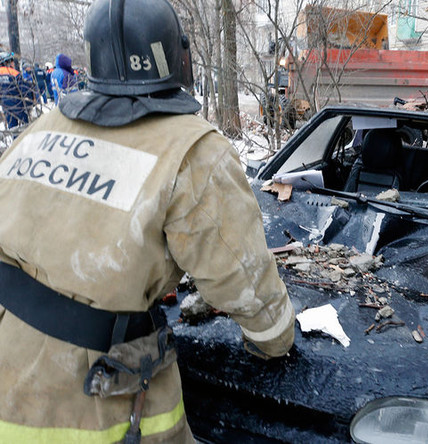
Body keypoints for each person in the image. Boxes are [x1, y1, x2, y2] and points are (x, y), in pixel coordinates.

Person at [0, 0, 295, 442]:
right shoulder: (194, 150)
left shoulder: (41, 129)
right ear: (177, 55)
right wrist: (274, 339)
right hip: (95, 406)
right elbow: (246, 283)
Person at [0, 52, 35, 130]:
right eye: (12, 61)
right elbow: (23, 89)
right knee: (26, 125)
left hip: (5, 104)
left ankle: (15, 137)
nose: (13, 63)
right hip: (17, 103)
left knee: (13, 127)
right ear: (7, 62)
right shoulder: (14, 73)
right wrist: (30, 101)